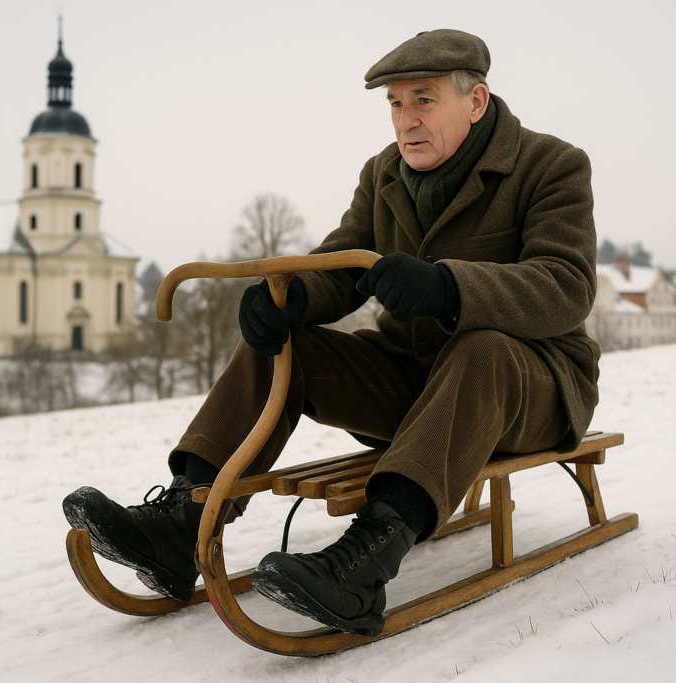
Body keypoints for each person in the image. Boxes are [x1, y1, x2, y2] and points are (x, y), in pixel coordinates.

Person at [64, 28, 599, 638]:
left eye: (423, 100)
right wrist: (285, 301)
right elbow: (343, 262)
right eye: (396, 104)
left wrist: (448, 288)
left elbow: (566, 286)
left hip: (529, 389)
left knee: (482, 350)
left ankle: (364, 563)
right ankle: (181, 523)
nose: (406, 120)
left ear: (475, 102)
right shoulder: (385, 175)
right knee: (291, 346)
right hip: (417, 390)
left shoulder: (550, 166)